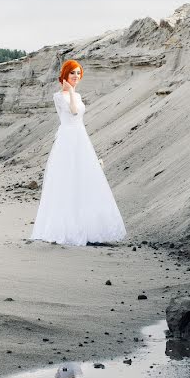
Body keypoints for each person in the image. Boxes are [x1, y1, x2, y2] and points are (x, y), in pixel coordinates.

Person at [30, 60, 127, 246]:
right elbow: (74, 112)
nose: (76, 76)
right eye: (72, 73)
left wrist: (74, 93)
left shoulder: (78, 95)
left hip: (81, 138)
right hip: (67, 140)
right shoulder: (59, 96)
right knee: (68, 181)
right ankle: (68, 228)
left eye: (78, 73)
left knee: (86, 180)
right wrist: (72, 92)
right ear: (65, 75)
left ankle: (88, 226)